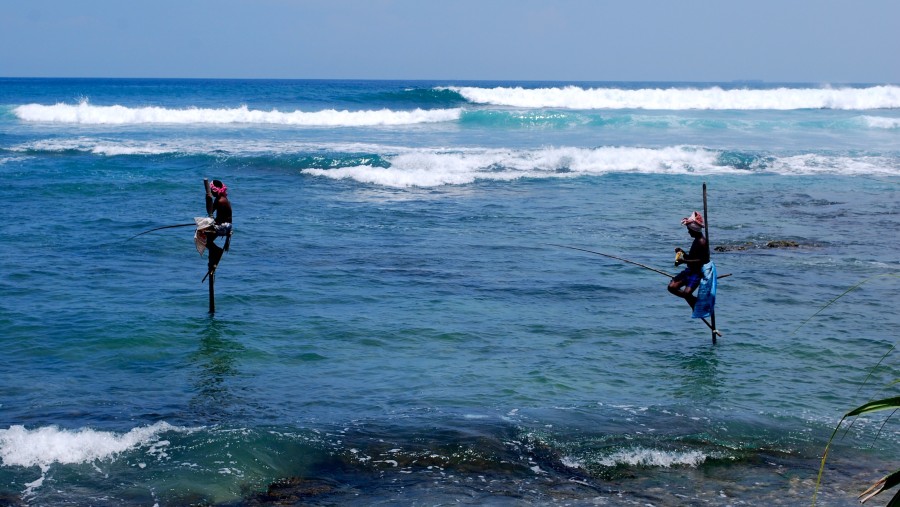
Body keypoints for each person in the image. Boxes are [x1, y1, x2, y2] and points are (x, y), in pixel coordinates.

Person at [667, 211, 709, 310]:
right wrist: (682, 253)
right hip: (690, 271)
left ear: (694, 230)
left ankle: (695, 305)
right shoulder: (696, 240)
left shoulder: (702, 242)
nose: (688, 232)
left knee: (686, 293)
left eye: (689, 230)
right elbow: (691, 257)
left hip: (697, 273)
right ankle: (695, 301)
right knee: (671, 287)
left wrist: (683, 261)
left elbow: (702, 260)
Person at [204, 179, 232, 274]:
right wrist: (208, 199)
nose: (211, 192)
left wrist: (211, 224)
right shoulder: (217, 199)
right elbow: (210, 212)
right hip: (220, 223)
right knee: (206, 237)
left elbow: (220, 219)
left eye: (212, 191)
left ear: (215, 190)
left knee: (205, 239)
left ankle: (217, 251)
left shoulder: (221, 201)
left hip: (225, 226)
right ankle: (215, 253)